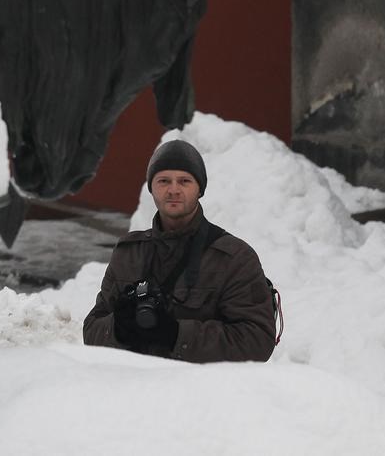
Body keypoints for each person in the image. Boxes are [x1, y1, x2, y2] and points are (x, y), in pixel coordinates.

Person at [82, 139, 274, 362]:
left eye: (184, 181)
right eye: (164, 181)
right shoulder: (129, 254)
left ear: (200, 189)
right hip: (132, 389)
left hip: (201, 392)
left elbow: (258, 341)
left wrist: (176, 335)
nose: (173, 190)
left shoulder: (234, 258)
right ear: (151, 188)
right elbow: (91, 331)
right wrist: (117, 328)